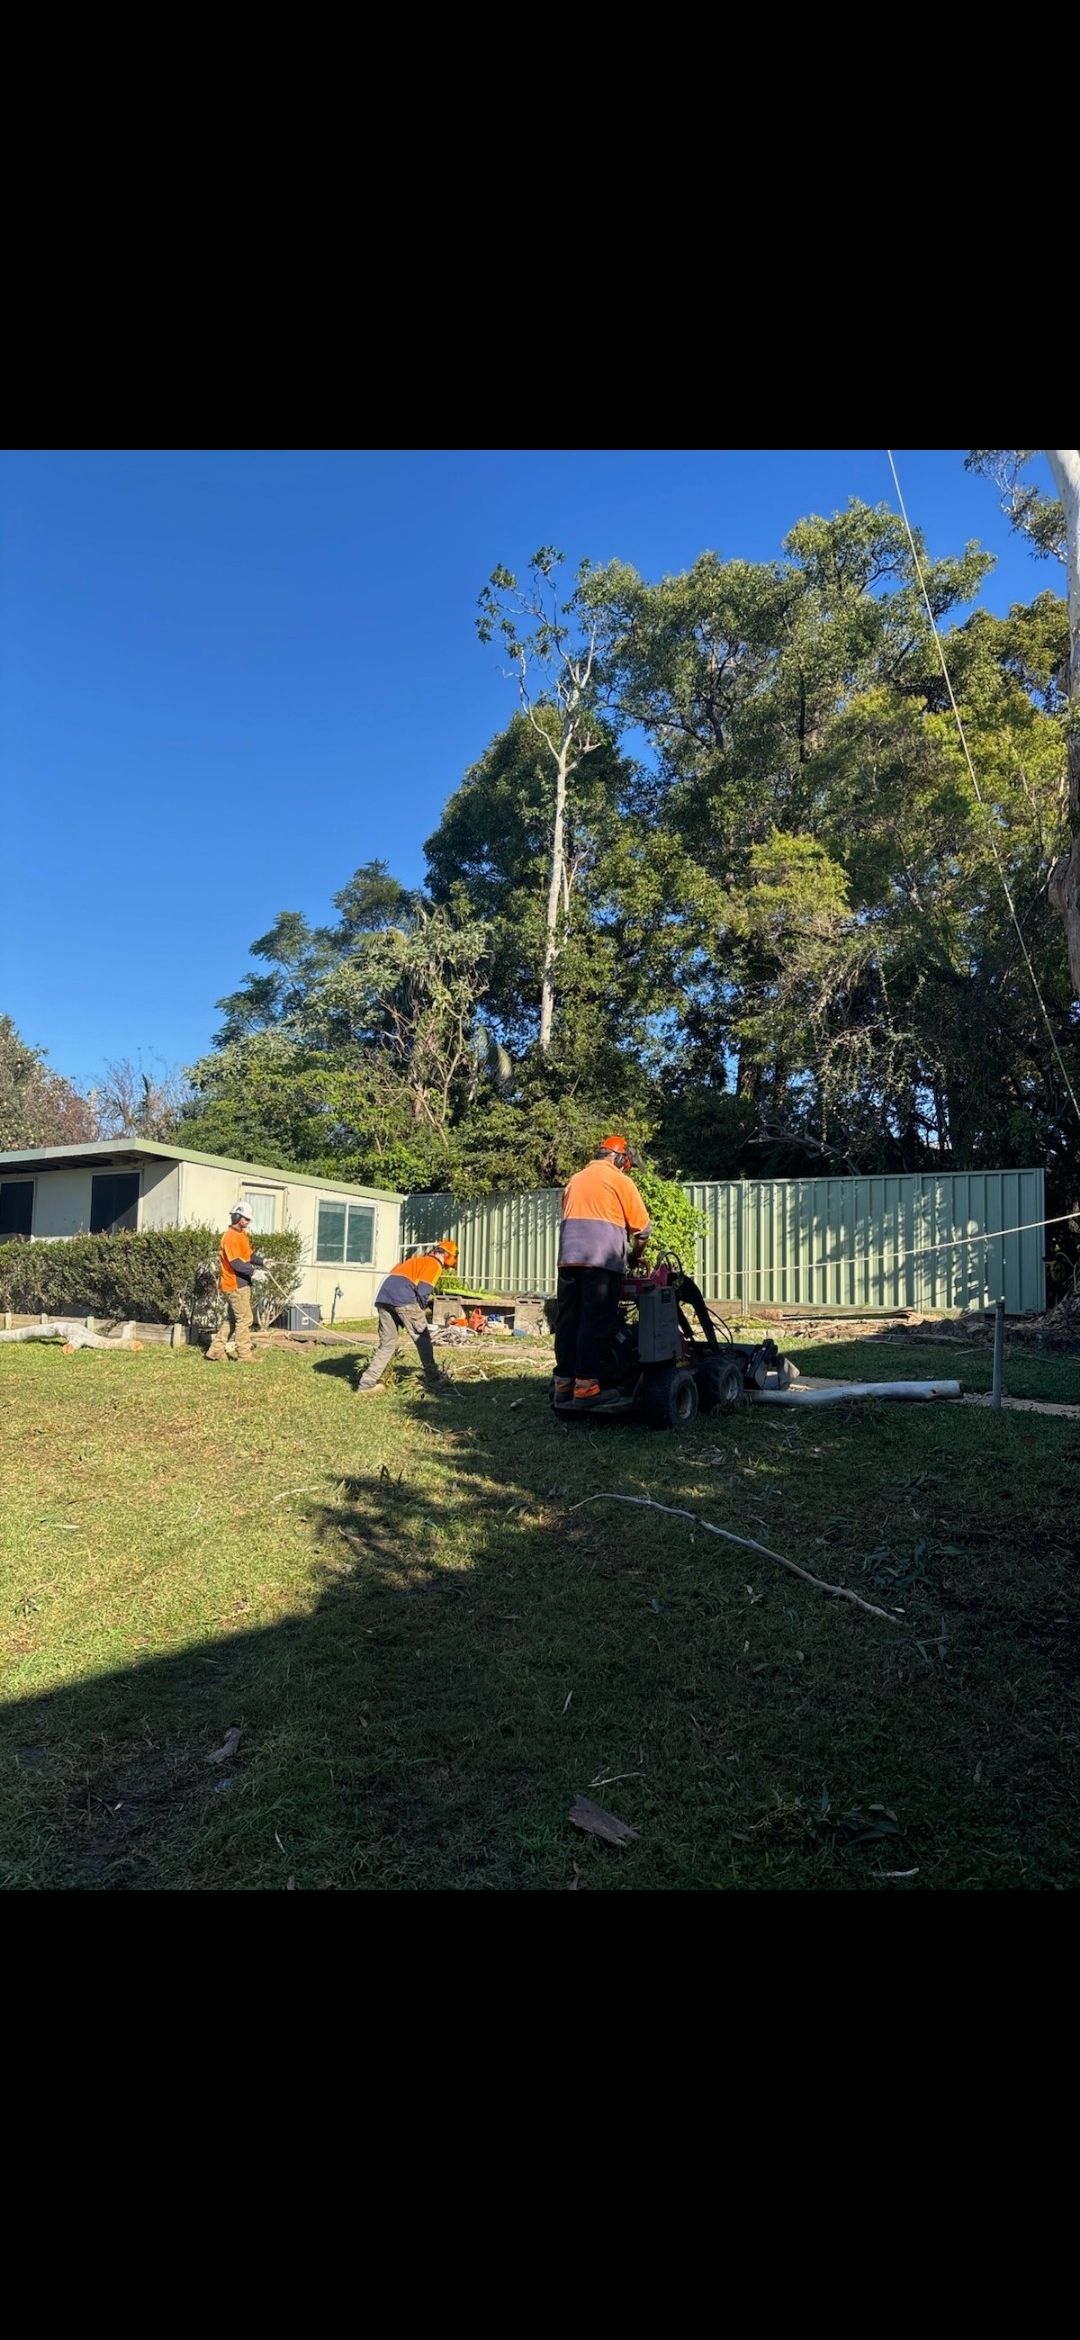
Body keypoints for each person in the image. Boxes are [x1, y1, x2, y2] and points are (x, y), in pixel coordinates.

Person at [554, 1136, 650, 1411]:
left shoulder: (575, 1179)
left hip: (569, 1260)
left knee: (568, 1321)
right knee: (595, 1322)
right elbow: (642, 1229)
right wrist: (634, 1255)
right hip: (601, 1263)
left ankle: (564, 1385)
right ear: (620, 1159)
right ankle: (587, 1389)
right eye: (625, 1165)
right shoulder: (619, 1180)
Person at [356, 1240, 458, 1396]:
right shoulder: (434, 1264)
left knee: (388, 1343)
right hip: (404, 1298)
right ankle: (433, 1378)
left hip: (382, 1298)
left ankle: (366, 1385)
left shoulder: (415, 1261)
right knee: (422, 1337)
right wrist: (420, 1310)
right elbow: (423, 1291)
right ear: (447, 1255)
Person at [205, 1205, 266, 1363]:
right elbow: (236, 1263)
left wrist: (263, 1262)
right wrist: (254, 1272)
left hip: (241, 1283)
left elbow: (248, 1255)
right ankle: (244, 1355)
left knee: (232, 1319)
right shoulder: (230, 1236)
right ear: (237, 1217)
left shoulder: (242, 1235)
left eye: (249, 1219)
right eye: (245, 1219)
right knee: (245, 1319)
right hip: (235, 1284)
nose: (248, 1222)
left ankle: (215, 1351)